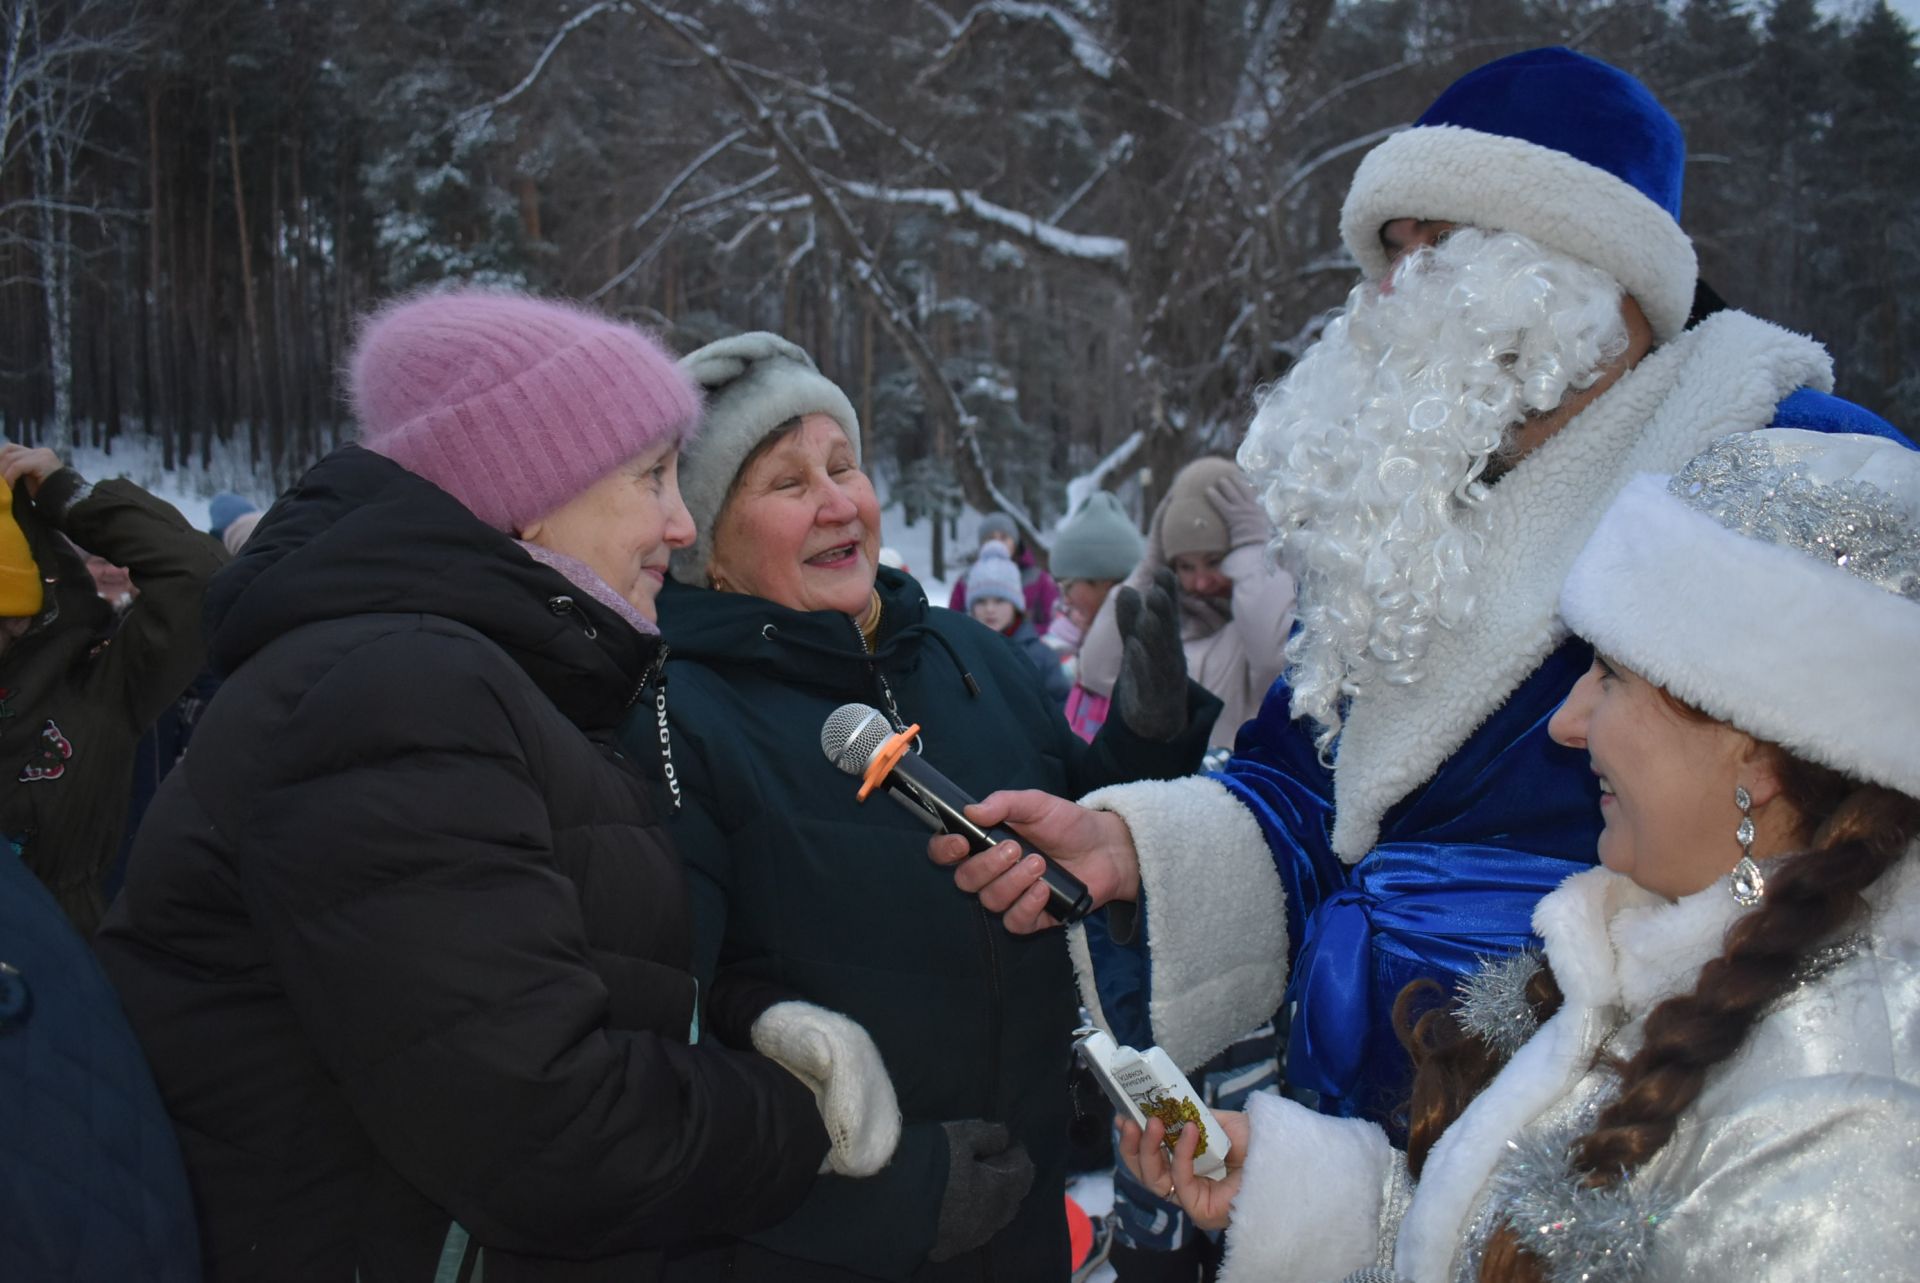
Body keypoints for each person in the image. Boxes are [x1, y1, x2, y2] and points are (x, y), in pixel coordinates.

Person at [929, 47, 1913, 1134]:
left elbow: (1870, 831)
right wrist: (1137, 847)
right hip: (1365, 1129)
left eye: (1435, 246)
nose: (1395, 294)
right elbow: (1314, 796)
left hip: (1641, 1122)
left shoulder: (1785, 464)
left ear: (1584, 263)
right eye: (1387, 252)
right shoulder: (1398, 514)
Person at [95, 292, 898, 1283]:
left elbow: (525, 982)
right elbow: (543, 1125)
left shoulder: (480, 679)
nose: (680, 521)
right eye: (652, 476)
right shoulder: (395, 692)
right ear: (529, 488)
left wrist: (740, 1022)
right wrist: (792, 1114)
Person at [1127, 429, 1920, 1282]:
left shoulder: (1842, 1135)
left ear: (1757, 750)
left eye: (1611, 676)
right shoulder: (1658, 951)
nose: (1566, 723)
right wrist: (1307, 1196)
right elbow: (1529, 1242)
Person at [636, 330, 1221, 1281]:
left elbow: (1070, 847)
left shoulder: (969, 657)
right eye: (788, 484)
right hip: (817, 1248)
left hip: (1022, 1218)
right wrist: (888, 1194)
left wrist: (1147, 742)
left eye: (845, 465)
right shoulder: (680, 714)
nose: (839, 501)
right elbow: (673, 1051)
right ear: (709, 544)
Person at [0, 442, 226, 934]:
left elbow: (196, 579)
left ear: (18, 619)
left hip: (63, 974)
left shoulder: (93, 685)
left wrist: (69, 495)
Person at [1080, 457, 1292, 756]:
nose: (1201, 582)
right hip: (1177, 796)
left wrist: (1255, 554)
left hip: (1250, 793)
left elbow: (1275, 663)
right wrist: (1146, 572)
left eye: (1215, 561)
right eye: (1186, 566)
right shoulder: (1171, 627)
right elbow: (1097, 672)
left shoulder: (1262, 624)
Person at [1045, 490, 1146, 741]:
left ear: (1105, 582)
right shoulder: (1091, 643)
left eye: (1069, 586)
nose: (1065, 599)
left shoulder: (1130, 654)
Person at [967, 541, 1071, 706]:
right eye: (980, 601)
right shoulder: (960, 652)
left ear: (1016, 606)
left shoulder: (1043, 657)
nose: (990, 609)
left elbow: (1060, 710)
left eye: (1000, 600)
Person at [949, 509, 1060, 625]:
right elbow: (953, 621)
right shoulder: (966, 579)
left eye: (1004, 537)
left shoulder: (1038, 578)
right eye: (990, 538)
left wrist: (1026, 636)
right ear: (982, 544)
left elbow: (1053, 622)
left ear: (1015, 542)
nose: (998, 542)